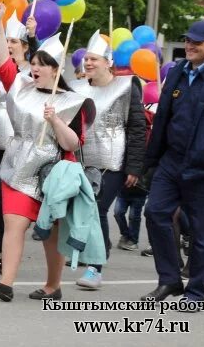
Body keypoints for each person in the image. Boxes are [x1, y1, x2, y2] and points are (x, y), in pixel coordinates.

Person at [0, 2, 94, 302]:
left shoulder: (73, 101)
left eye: (43, 64)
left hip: (52, 175)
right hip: (17, 167)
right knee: (14, 224)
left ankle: (53, 285)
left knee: (50, 233)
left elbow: (73, 144)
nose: (35, 68)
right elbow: (3, 58)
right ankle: (6, 283)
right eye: (34, 62)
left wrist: (55, 120)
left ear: (57, 70)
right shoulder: (19, 85)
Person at [142, 20, 204, 306]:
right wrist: (151, 159)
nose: (190, 45)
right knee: (156, 213)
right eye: (187, 40)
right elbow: (162, 120)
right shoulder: (176, 73)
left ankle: (196, 293)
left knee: (202, 233)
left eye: (197, 41)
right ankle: (170, 279)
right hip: (171, 161)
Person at [71, 31, 146, 289]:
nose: (88, 63)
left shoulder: (126, 87)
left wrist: (134, 167)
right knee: (84, 209)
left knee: (97, 208)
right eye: (86, 59)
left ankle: (95, 266)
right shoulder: (79, 88)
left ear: (108, 61)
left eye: (94, 59)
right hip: (82, 160)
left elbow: (137, 128)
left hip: (113, 163)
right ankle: (92, 252)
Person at [0, 13, 38, 270]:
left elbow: (45, 61)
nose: (10, 45)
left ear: (25, 46)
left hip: (17, 137)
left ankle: (8, 250)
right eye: (8, 40)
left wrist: (34, 37)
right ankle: (3, 251)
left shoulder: (32, 71)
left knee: (1, 193)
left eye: (16, 41)